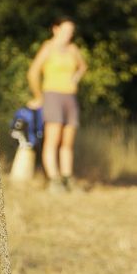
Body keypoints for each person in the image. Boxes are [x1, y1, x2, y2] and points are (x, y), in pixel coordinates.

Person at [27, 16, 87, 193]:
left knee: (67, 141)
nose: (69, 34)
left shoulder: (73, 49)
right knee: (52, 139)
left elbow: (83, 67)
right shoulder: (48, 48)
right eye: (66, 30)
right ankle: (54, 180)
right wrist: (39, 96)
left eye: (71, 31)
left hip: (70, 97)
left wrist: (75, 78)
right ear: (56, 29)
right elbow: (33, 73)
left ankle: (67, 178)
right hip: (52, 95)